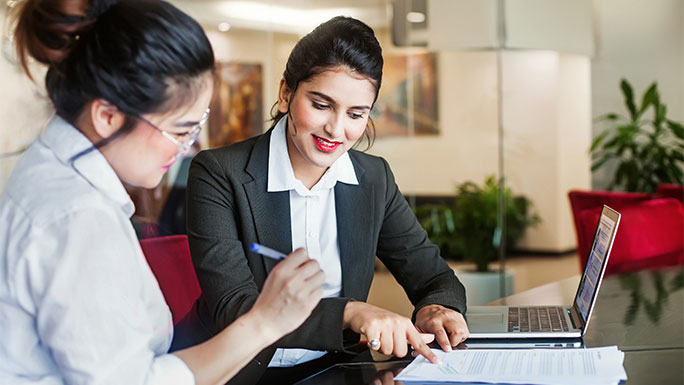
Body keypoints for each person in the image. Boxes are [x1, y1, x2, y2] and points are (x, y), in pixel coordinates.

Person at [0, 1, 324, 384]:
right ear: (107, 117)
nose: (188, 146)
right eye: (180, 129)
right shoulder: (78, 221)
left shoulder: (49, 174)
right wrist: (266, 322)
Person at [185, 16, 470, 384]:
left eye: (356, 114)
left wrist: (436, 308)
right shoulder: (219, 172)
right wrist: (351, 313)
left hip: (338, 370)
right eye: (321, 105)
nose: (336, 130)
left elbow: (432, 275)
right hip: (237, 372)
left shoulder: (373, 178)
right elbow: (235, 307)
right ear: (286, 93)